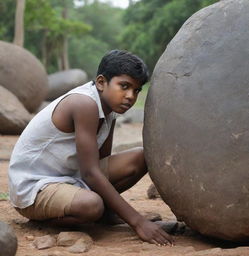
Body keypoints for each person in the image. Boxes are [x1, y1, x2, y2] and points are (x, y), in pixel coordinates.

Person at [8, 50, 173, 246]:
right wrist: (138, 222)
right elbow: (91, 174)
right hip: (35, 188)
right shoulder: (83, 103)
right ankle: (47, 219)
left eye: (136, 90)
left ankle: (104, 213)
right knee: (92, 205)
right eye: (124, 86)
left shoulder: (109, 111)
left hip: (70, 179)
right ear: (102, 82)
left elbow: (103, 162)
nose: (130, 96)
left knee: (140, 157)